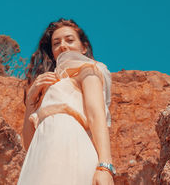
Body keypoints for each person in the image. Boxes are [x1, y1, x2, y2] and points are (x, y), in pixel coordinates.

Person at [17, 18, 115, 185]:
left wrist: (105, 167)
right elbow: (28, 144)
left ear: (84, 47)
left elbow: (95, 115)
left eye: (70, 40)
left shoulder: (87, 69)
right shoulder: (47, 83)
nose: (62, 45)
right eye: (56, 43)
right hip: (40, 154)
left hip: (70, 145)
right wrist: (31, 100)